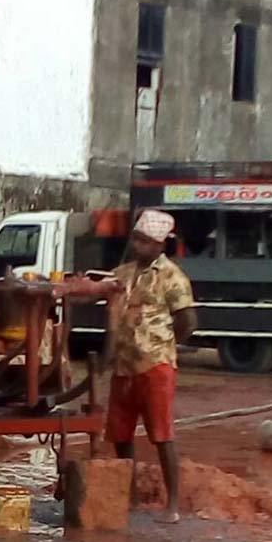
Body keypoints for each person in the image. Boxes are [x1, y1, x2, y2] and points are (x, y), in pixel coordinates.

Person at [107, 209, 197, 524]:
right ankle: (129, 498)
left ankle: (171, 504)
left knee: (161, 434)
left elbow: (188, 321)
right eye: (135, 239)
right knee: (121, 435)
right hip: (123, 365)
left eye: (144, 241)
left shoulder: (172, 276)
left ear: (159, 245)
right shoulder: (122, 273)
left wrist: (164, 346)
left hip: (156, 365)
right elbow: (101, 293)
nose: (136, 245)